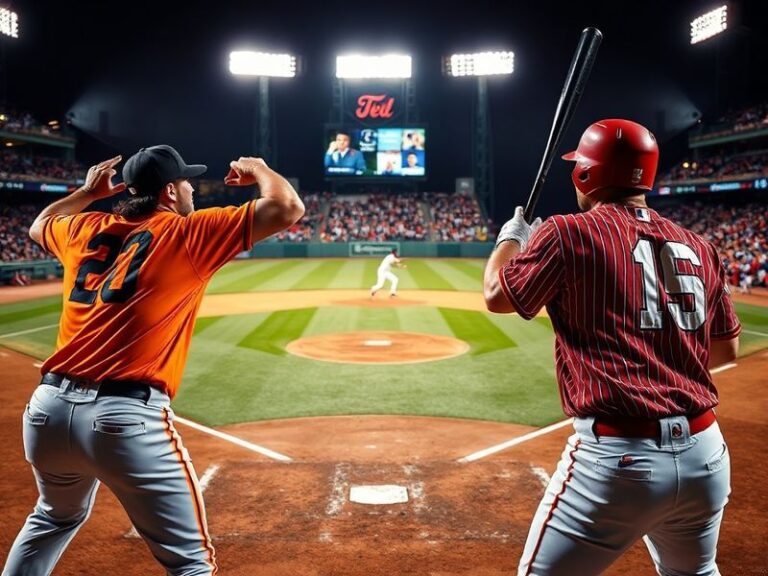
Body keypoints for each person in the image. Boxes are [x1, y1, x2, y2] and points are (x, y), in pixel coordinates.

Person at [2, 146, 304, 575]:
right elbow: (287, 207)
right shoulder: (188, 233)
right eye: (186, 182)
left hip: (46, 413)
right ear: (168, 191)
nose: (192, 190)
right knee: (191, 565)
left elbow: (39, 224)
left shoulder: (85, 227)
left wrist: (87, 193)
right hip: (124, 419)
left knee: (52, 517)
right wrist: (258, 168)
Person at [483, 119, 741, 576]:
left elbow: (497, 297)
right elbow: (725, 352)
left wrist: (510, 239)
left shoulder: (568, 232)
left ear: (586, 174)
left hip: (619, 460)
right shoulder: (700, 246)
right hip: (706, 454)